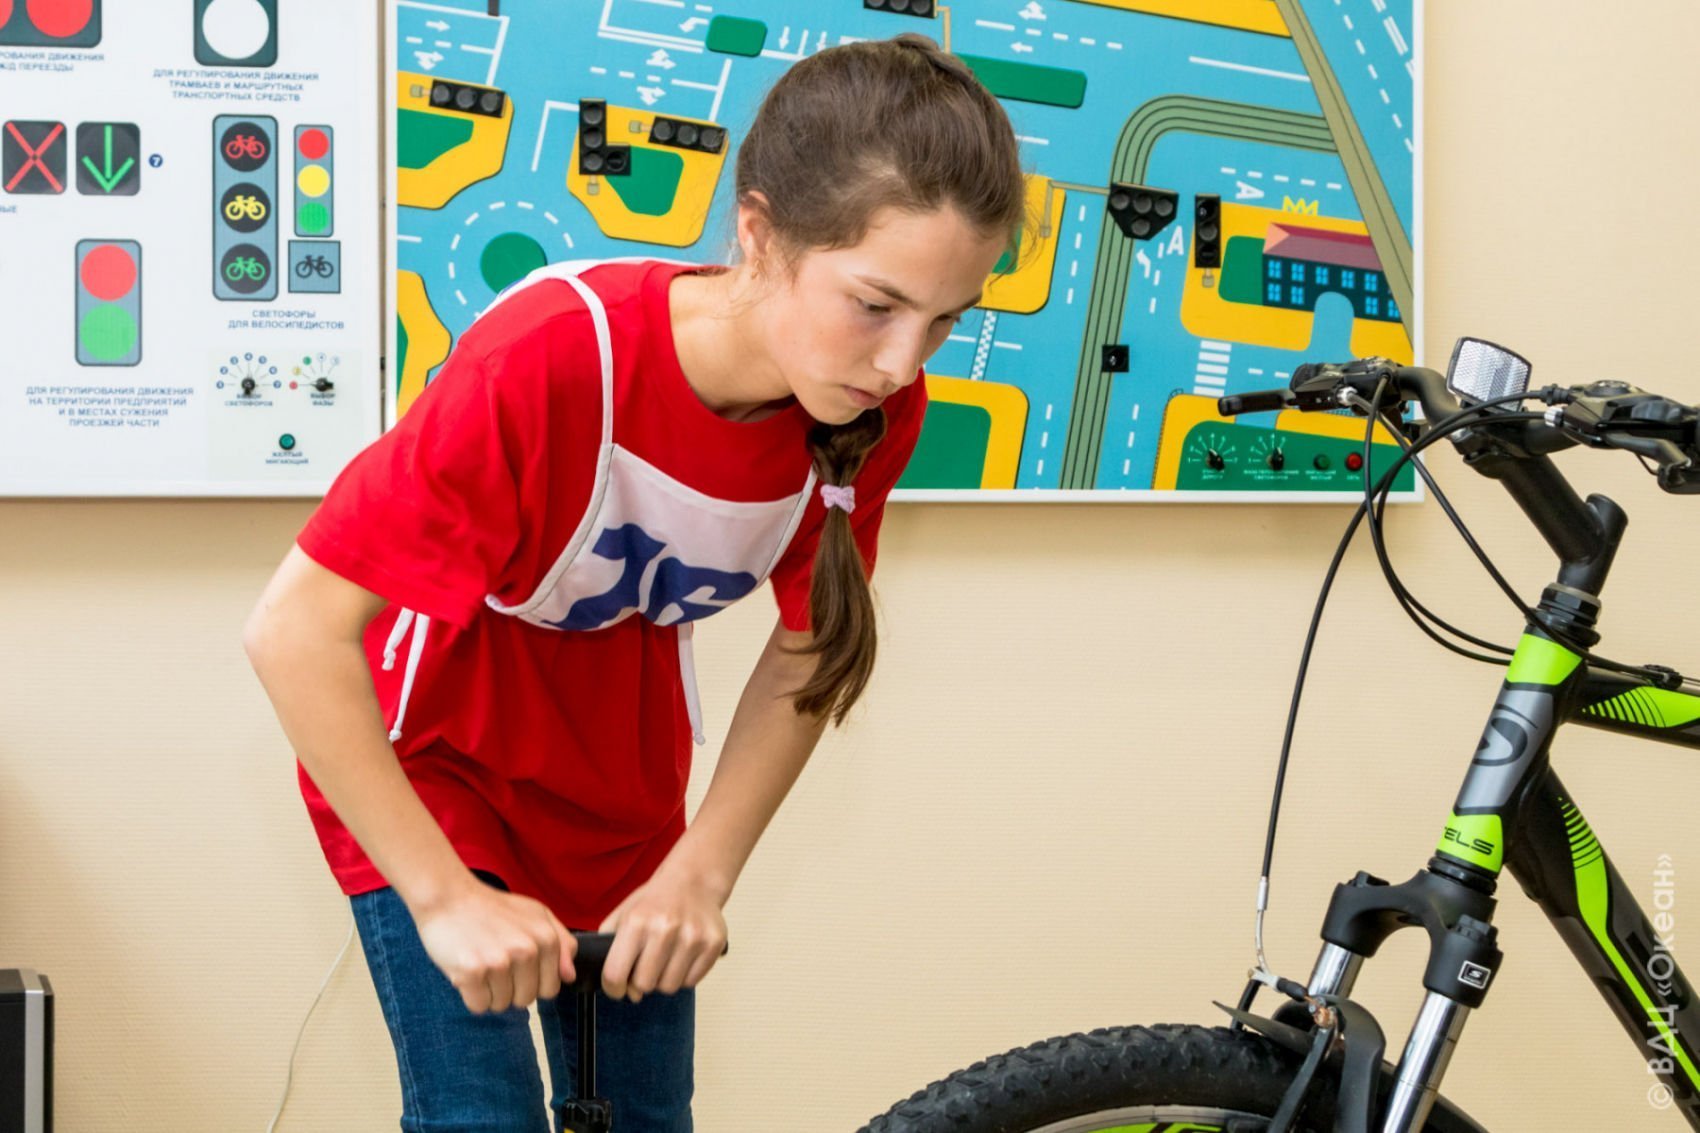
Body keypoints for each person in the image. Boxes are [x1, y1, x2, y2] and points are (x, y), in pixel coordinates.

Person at [243, 31, 1028, 1132]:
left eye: (945, 319)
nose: (904, 360)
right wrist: (442, 895)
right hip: (439, 767)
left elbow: (809, 646)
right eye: (874, 303)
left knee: (643, 1118)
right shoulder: (551, 356)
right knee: (484, 1116)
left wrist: (703, 870)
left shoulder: (874, 409)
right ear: (758, 233)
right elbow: (292, 630)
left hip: (619, 794)